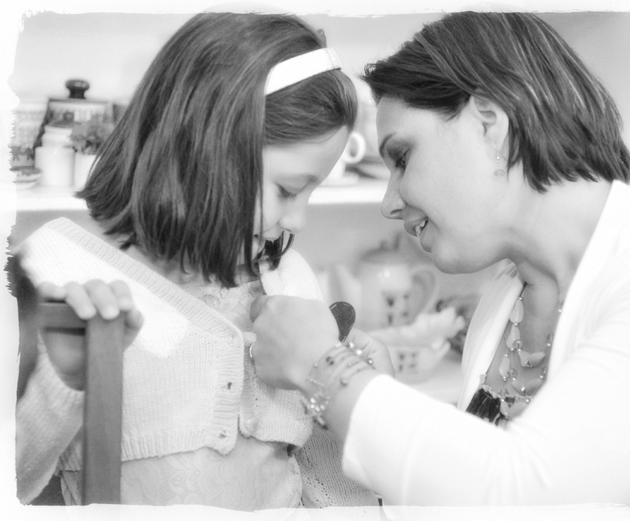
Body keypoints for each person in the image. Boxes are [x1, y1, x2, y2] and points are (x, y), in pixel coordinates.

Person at [248, 12, 630, 508]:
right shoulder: (506, 299)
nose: (390, 203)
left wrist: (324, 369)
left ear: (490, 126)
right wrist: (379, 392)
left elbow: (527, 496)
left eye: (402, 158)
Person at [14, 12, 385, 509]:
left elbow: (325, 487)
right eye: (287, 189)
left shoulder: (286, 283)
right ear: (207, 150)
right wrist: (60, 383)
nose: (298, 220)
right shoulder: (59, 277)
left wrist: (349, 402)